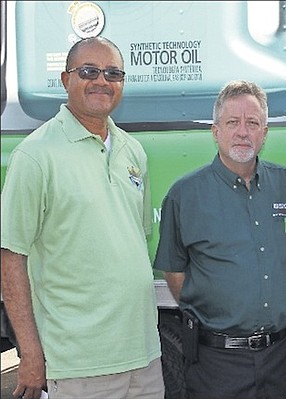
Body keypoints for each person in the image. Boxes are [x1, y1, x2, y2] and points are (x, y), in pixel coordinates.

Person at [0, 37, 164, 399]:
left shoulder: (132, 150)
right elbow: (11, 257)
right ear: (65, 79)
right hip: (78, 365)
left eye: (113, 73)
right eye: (88, 71)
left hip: (144, 359)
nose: (101, 81)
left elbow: (136, 238)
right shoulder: (35, 156)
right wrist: (30, 354)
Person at [153, 80, 286, 399]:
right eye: (232, 122)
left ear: (264, 133)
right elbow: (174, 272)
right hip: (217, 363)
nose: (242, 132)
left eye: (252, 123)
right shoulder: (184, 196)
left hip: (283, 359)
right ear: (215, 131)